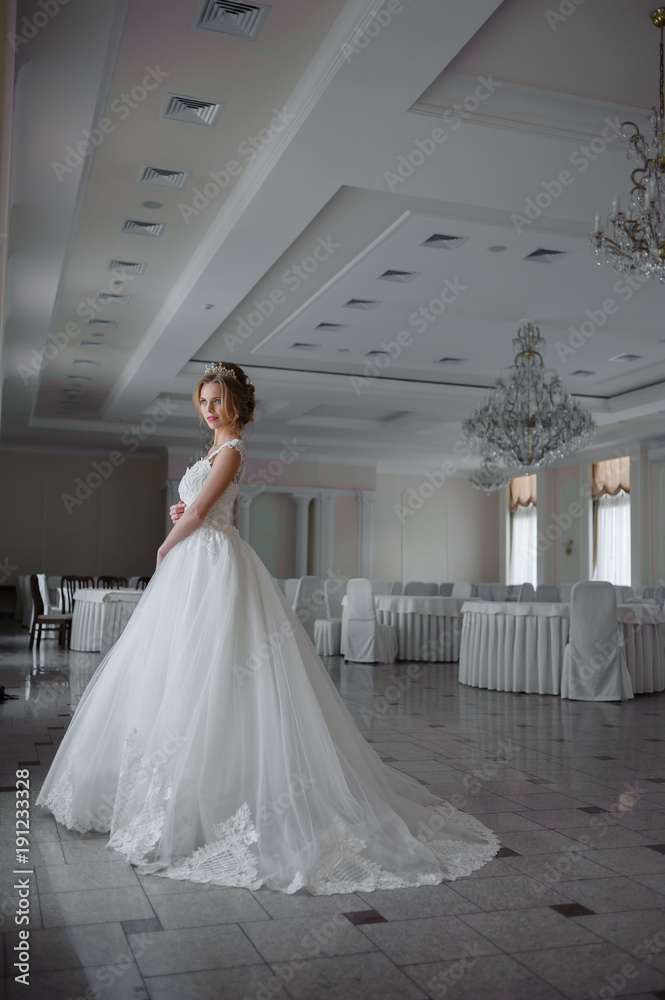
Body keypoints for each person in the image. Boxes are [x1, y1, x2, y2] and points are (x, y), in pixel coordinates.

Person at [37, 361, 499, 894]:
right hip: (199, 560)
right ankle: (165, 788)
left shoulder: (231, 452)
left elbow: (206, 511)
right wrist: (182, 514)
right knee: (177, 667)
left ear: (235, 405)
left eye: (216, 401)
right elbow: (199, 507)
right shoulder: (215, 452)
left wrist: (169, 541)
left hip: (210, 562)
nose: (208, 410)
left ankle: (208, 796)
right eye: (203, 401)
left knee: (218, 668)